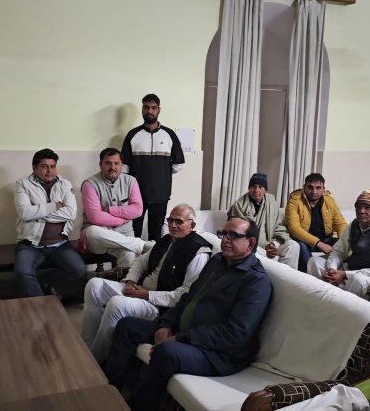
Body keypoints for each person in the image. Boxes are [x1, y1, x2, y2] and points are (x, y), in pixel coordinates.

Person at [104, 217, 272, 411]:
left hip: (219, 353)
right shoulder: (217, 261)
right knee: (127, 326)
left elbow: (235, 334)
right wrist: (166, 324)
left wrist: (180, 338)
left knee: (167, 352)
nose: (225, 239)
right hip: (185, 331)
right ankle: (108, 392)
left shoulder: (256, 282)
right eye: (224, 233)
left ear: (251, 242)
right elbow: (188, 298)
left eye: (233, 235)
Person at [82, 204, 213, 363]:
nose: (173, 225)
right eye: (170, 220)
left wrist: (147, 295)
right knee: (94, 285)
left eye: (178, 221)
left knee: (117, 303)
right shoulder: (166, 240)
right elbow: (141, 262)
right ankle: (86, 346)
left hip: (159, 306)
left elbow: (185, 294)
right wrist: (130, 281)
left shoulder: (198, 252)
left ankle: (95, 360)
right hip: (140, 290)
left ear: (192, 225)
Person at [13, 148, 87, 297]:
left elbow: (70, 214)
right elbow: (24, 213)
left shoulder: (65, 184)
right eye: (44, 166)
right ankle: (42, 305)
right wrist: (54, 205)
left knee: (79, 270)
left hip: (60, 244)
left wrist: (36, 213)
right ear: (34, 168)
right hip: (31, 244)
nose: (49, 171)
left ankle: (47, 280)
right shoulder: (23, 184)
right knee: (22, 272)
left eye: (53, 166)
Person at [308, 189, 370, 298]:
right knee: (314, 262)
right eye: (358, 207)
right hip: (351, 269)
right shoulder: (354, 224)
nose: (361, 211)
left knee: (358, 280)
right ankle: (322, 298)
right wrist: (332, 269)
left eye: (368, 208)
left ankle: (341, 303)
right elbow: (339, 251)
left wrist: (344, 275)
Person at [121, 94, 185, 240]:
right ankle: (134, 255)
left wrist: (161, 175)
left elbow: (179, 163)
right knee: (133, 232)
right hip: (136, 194)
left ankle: (153, 255)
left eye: (153, 108)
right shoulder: (133, 134)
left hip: (161, 194)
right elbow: (124, 167)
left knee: (156, 234)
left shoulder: (169, 134)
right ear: (142, 109)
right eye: (146, 107)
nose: (149, 111)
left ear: (159, 110)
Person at [80, 148, 154, 267]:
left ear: (121, 165)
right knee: (92, 232)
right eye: (108, 163)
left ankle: (118, 279)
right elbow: (95, 217)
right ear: (100, 164)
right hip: (98, 240)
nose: (112, 167)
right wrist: (122, 220)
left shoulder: (131, 181)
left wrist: (109, 209)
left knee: (129, 256)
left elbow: (137, 210)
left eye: (116, 163)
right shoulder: (89, 184)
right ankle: (141, 245)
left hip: (124, 235)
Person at [228, 173, 300, 269]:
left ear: (265, 190)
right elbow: (240, 233)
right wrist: (266, 246)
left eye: (260, 187)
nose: (256, 190)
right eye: (253, 187)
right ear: (249, 188)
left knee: (293, 245)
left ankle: (284, 275)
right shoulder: (239, 205)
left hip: (271, 241)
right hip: (252, 244)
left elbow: (278, 225)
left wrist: (274, 244)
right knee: (252, 250)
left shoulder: (271, 201)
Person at [285, 173, 347, 272]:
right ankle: (307, 276)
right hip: (303, 241)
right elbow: (294, 228)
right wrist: (319, 244)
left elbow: (340, 224)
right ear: (304, 187)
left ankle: (339, 274)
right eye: (310, 187)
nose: (314, 191)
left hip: (325, 239)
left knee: (348, 246)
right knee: (301, 247)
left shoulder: (329, 201)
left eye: (318, 188)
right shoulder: (294, 201)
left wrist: (343, 241)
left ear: (323, 189)